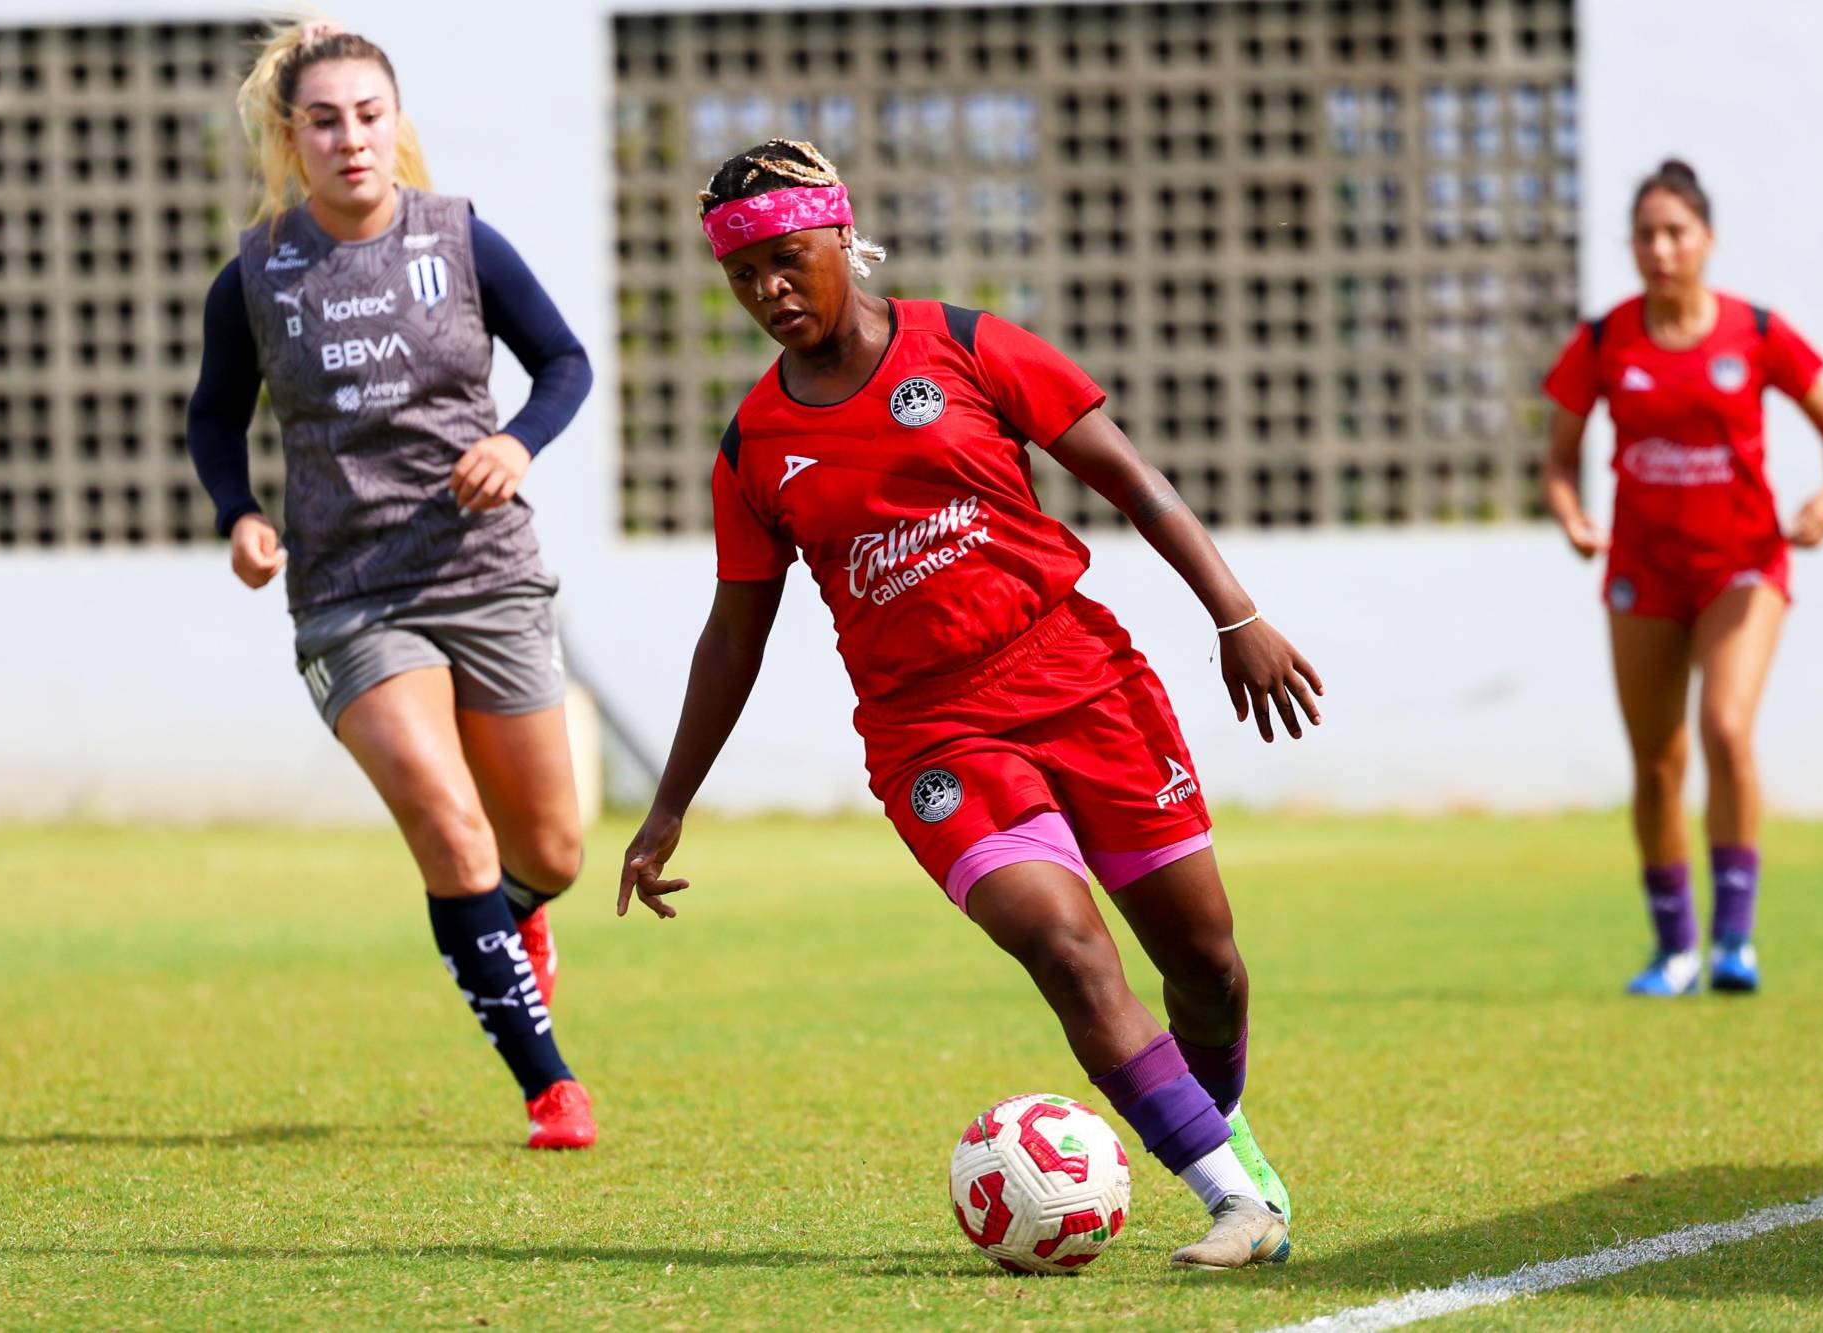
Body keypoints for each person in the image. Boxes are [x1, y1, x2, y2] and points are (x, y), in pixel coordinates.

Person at [616, 140, 1325, 1269]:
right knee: (1063, 944)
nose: (770, 293)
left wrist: (1237, 618)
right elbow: (733, 632)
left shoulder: (967, 346)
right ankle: (1234, 1199)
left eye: (788, 260)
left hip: (1078, 677)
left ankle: (1212, 1113)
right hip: (928, 731)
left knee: (1208, 965)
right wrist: (666, 807)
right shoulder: (753, 445)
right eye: (743, 276)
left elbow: (1131, 481)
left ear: (841, 237)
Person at [185, 22, 598, 1146]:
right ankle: (550, 1085)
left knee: (549, 850)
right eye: (324, 119)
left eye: (369, 115)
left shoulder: (461, 241)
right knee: (450, 829)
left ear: (394, 122)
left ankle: (508, 926)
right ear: (291, 135)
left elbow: (565, 362)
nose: (350, 138)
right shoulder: (257, 270)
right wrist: (242, 515)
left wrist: (517, 444)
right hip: (350, 595)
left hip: (488, 574)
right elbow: (214, 417)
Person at [1541, 159, 1823, 997]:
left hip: (1744, 568)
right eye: (1645, 233)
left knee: (1724, 727)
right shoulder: (1606, 339)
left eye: (1676, 230)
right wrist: (1573, 516)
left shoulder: (1754, 331)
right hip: (1642, 577)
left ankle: (1734, 942)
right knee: (1655, 764)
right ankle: (1674, 947)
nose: (1660, 247)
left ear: (1706, 240)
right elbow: (1559, 459)